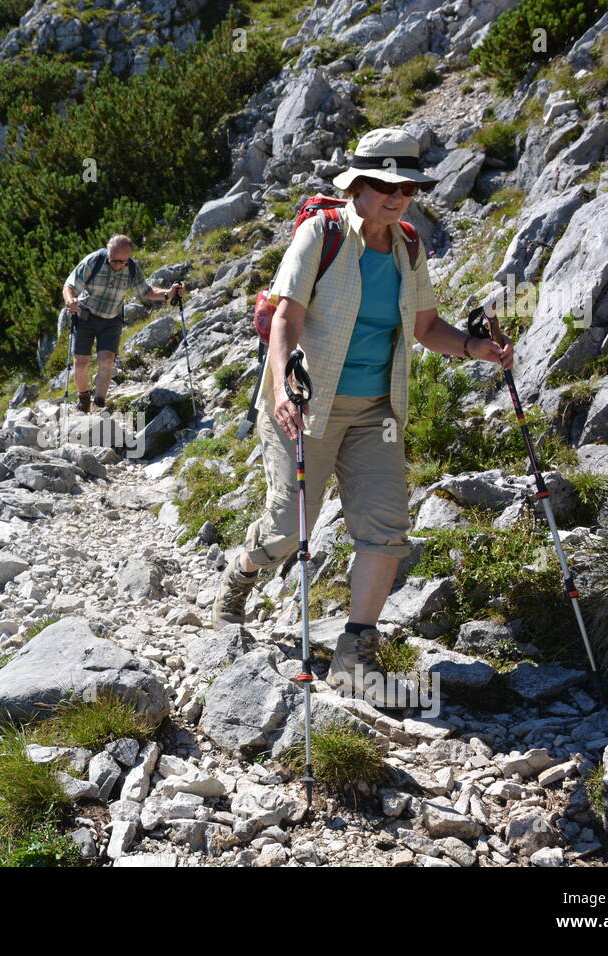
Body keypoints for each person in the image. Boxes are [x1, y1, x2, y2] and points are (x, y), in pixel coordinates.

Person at [209, 127, 516, 708]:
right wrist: (280, 382)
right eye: (382, 184)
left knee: (386, 528)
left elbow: (426, 328)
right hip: (304, 404)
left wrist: (479, 349)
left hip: (377, 409)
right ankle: (243, 570)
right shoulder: (320, 234)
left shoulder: (408, 246)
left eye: (407, 186)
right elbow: (285, 316)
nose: (396, 196)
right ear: (358, 186)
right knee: (290, 529)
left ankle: (354, 653)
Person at [62, 234, 185, 413]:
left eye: (122, 262)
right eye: (114, 261)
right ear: (108, 252)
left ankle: (100, 403)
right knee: (81, 363)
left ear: (128, 257)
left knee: (106, 360)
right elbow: (69, 285)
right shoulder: (94, 261)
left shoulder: (132, 268)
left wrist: (168, 294)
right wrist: (70, 300)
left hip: (112, 319)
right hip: (85, 316)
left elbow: (146, 291)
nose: (118, 266)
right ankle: (83, 398)